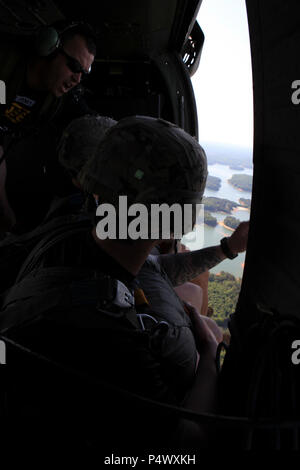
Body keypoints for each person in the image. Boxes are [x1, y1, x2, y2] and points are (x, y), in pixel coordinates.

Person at [0, 116, 248, 450]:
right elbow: (188, 447)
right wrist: (208, 353)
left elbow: (154, 267)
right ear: (176, 221)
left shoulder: (81, 236)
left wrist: (227, 248)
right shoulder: (110, 338)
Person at [0, 22, 96, 233]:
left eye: (83, 74)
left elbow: (92, 124)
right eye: (74, 66)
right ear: (48, 47)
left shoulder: (59, 100)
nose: (77, 79)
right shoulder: (5, 66)